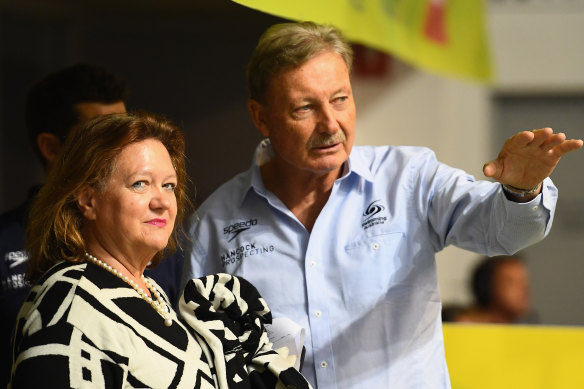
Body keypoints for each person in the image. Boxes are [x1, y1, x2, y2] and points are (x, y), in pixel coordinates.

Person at [182, 21, 583, 388]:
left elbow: (502, 230)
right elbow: (203, 361)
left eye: (340, 99)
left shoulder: (408, 178)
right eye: (304, 108)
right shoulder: (214, 225)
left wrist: (522, 190)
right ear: (261, 117)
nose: (330, 123)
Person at [10, 112, 310, 388]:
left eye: (168, 185)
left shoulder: (148, 291)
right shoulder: (64, 304)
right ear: (88, 200)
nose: (162, 201)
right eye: (140, 184)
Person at [0, 63, 128, 388]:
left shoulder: (152, 242)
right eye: (101, 137)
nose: (122, 151)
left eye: (125, 134)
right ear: (51, 148)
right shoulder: (5, 242)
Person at [462, 255, 534, 323]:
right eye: (511, 282)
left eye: (523, 281)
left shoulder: (530, 331)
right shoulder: (466, 329)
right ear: (487, 287)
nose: (524, 288)